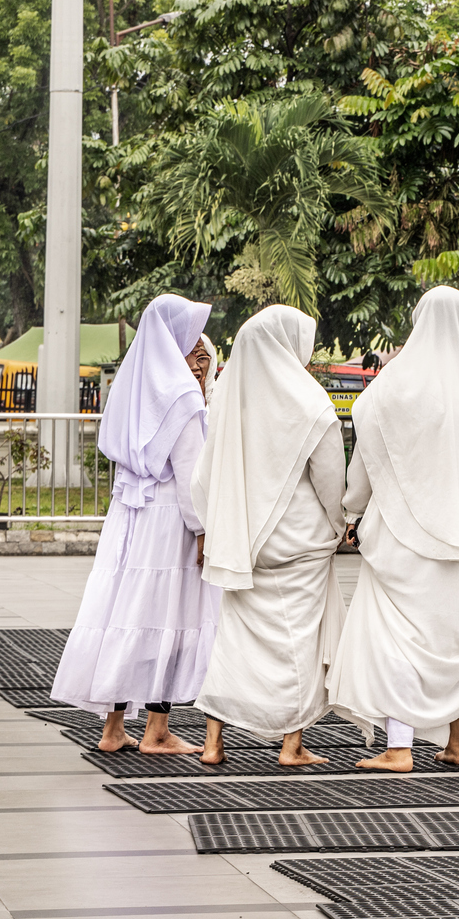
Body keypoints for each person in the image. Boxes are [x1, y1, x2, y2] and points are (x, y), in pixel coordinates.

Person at [331, 285, 459, 772]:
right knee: (456, 638)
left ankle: (399, 747)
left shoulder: (390, 389)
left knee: (398, 637)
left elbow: (365, 461)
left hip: (402, 537)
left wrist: (353, 513)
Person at [49, 294, 217, 754]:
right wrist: (203, 530)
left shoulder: (134, 387)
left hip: (129, 518)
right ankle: (157, 731)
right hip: (169, 522)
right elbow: (190, 475)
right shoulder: (182, 396)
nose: (197, 352)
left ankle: (113, 727)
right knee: (168, 617)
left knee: (126, 616)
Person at [190, 303, 349, 767]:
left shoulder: (226, 398)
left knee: (234, 639)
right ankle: (291, 744)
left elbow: (204, 475)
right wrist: (338, 527)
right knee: (297, 639)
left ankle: (213, 741)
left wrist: (221, 525)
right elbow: (329, 481)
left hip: (244, 541)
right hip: (300, 542)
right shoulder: (311, 403)